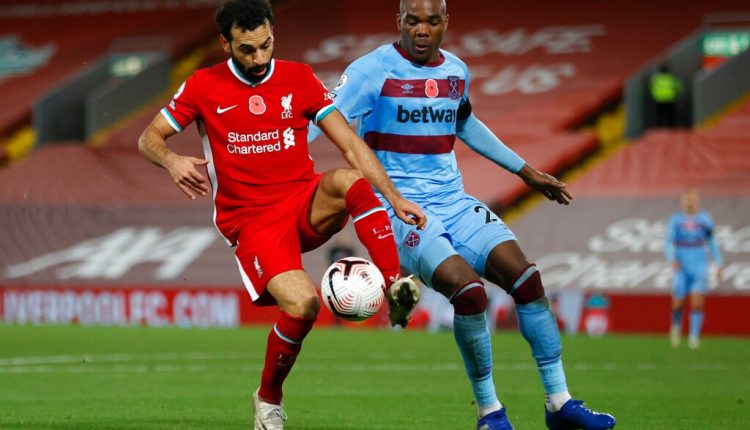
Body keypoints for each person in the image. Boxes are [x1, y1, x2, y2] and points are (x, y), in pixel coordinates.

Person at [309, 1, 616, 429]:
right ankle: (490, 413)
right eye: (413, 21)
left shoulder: (456, 71)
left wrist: (525, 171)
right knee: (470, 293)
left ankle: (559, 402)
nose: (421, 30)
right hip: (400, 209)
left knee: (528, 280)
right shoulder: (369, 72)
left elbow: (466, 123)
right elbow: (318, 123)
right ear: (399, 22)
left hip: (454, 201)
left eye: (431, 21)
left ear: (445, 23)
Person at [138, 1, 427, 429]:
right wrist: (171, 160)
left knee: (350, 181)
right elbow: (149, 137)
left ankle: (394, 283)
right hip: (252, 221)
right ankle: (268, 400)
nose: (259, 58)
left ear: (273, 33)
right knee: (304, 306)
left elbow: (350, 144)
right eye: (247, 49)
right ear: (225, 44)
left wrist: (394, 197)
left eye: (266, 45)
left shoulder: (299, 78)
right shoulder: (203, 85)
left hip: (303, 201)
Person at [665, 188, 722, 350]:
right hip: (681, 268)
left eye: (693, 198)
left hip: (699, 266)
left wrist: (719, 263)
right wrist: (672, 259)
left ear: (697, 200)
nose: (690, 201)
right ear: (682, 201)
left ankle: (694, 336)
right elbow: (668, 242)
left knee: (697, 302)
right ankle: (676, 325)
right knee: (678, 303)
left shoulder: (705, 220)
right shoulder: (676, 220)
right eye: (687, 198)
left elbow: (712, 242)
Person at [648, 63, 683, 128]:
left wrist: (655, 96)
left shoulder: (656, 79)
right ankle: (672, 129)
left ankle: (659, 128)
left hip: (659, 100)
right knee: (671, 116)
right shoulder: (672, 78)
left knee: (659, 117)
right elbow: (679, 88)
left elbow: (651, 89)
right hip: (670, 100)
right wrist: (676, 96)